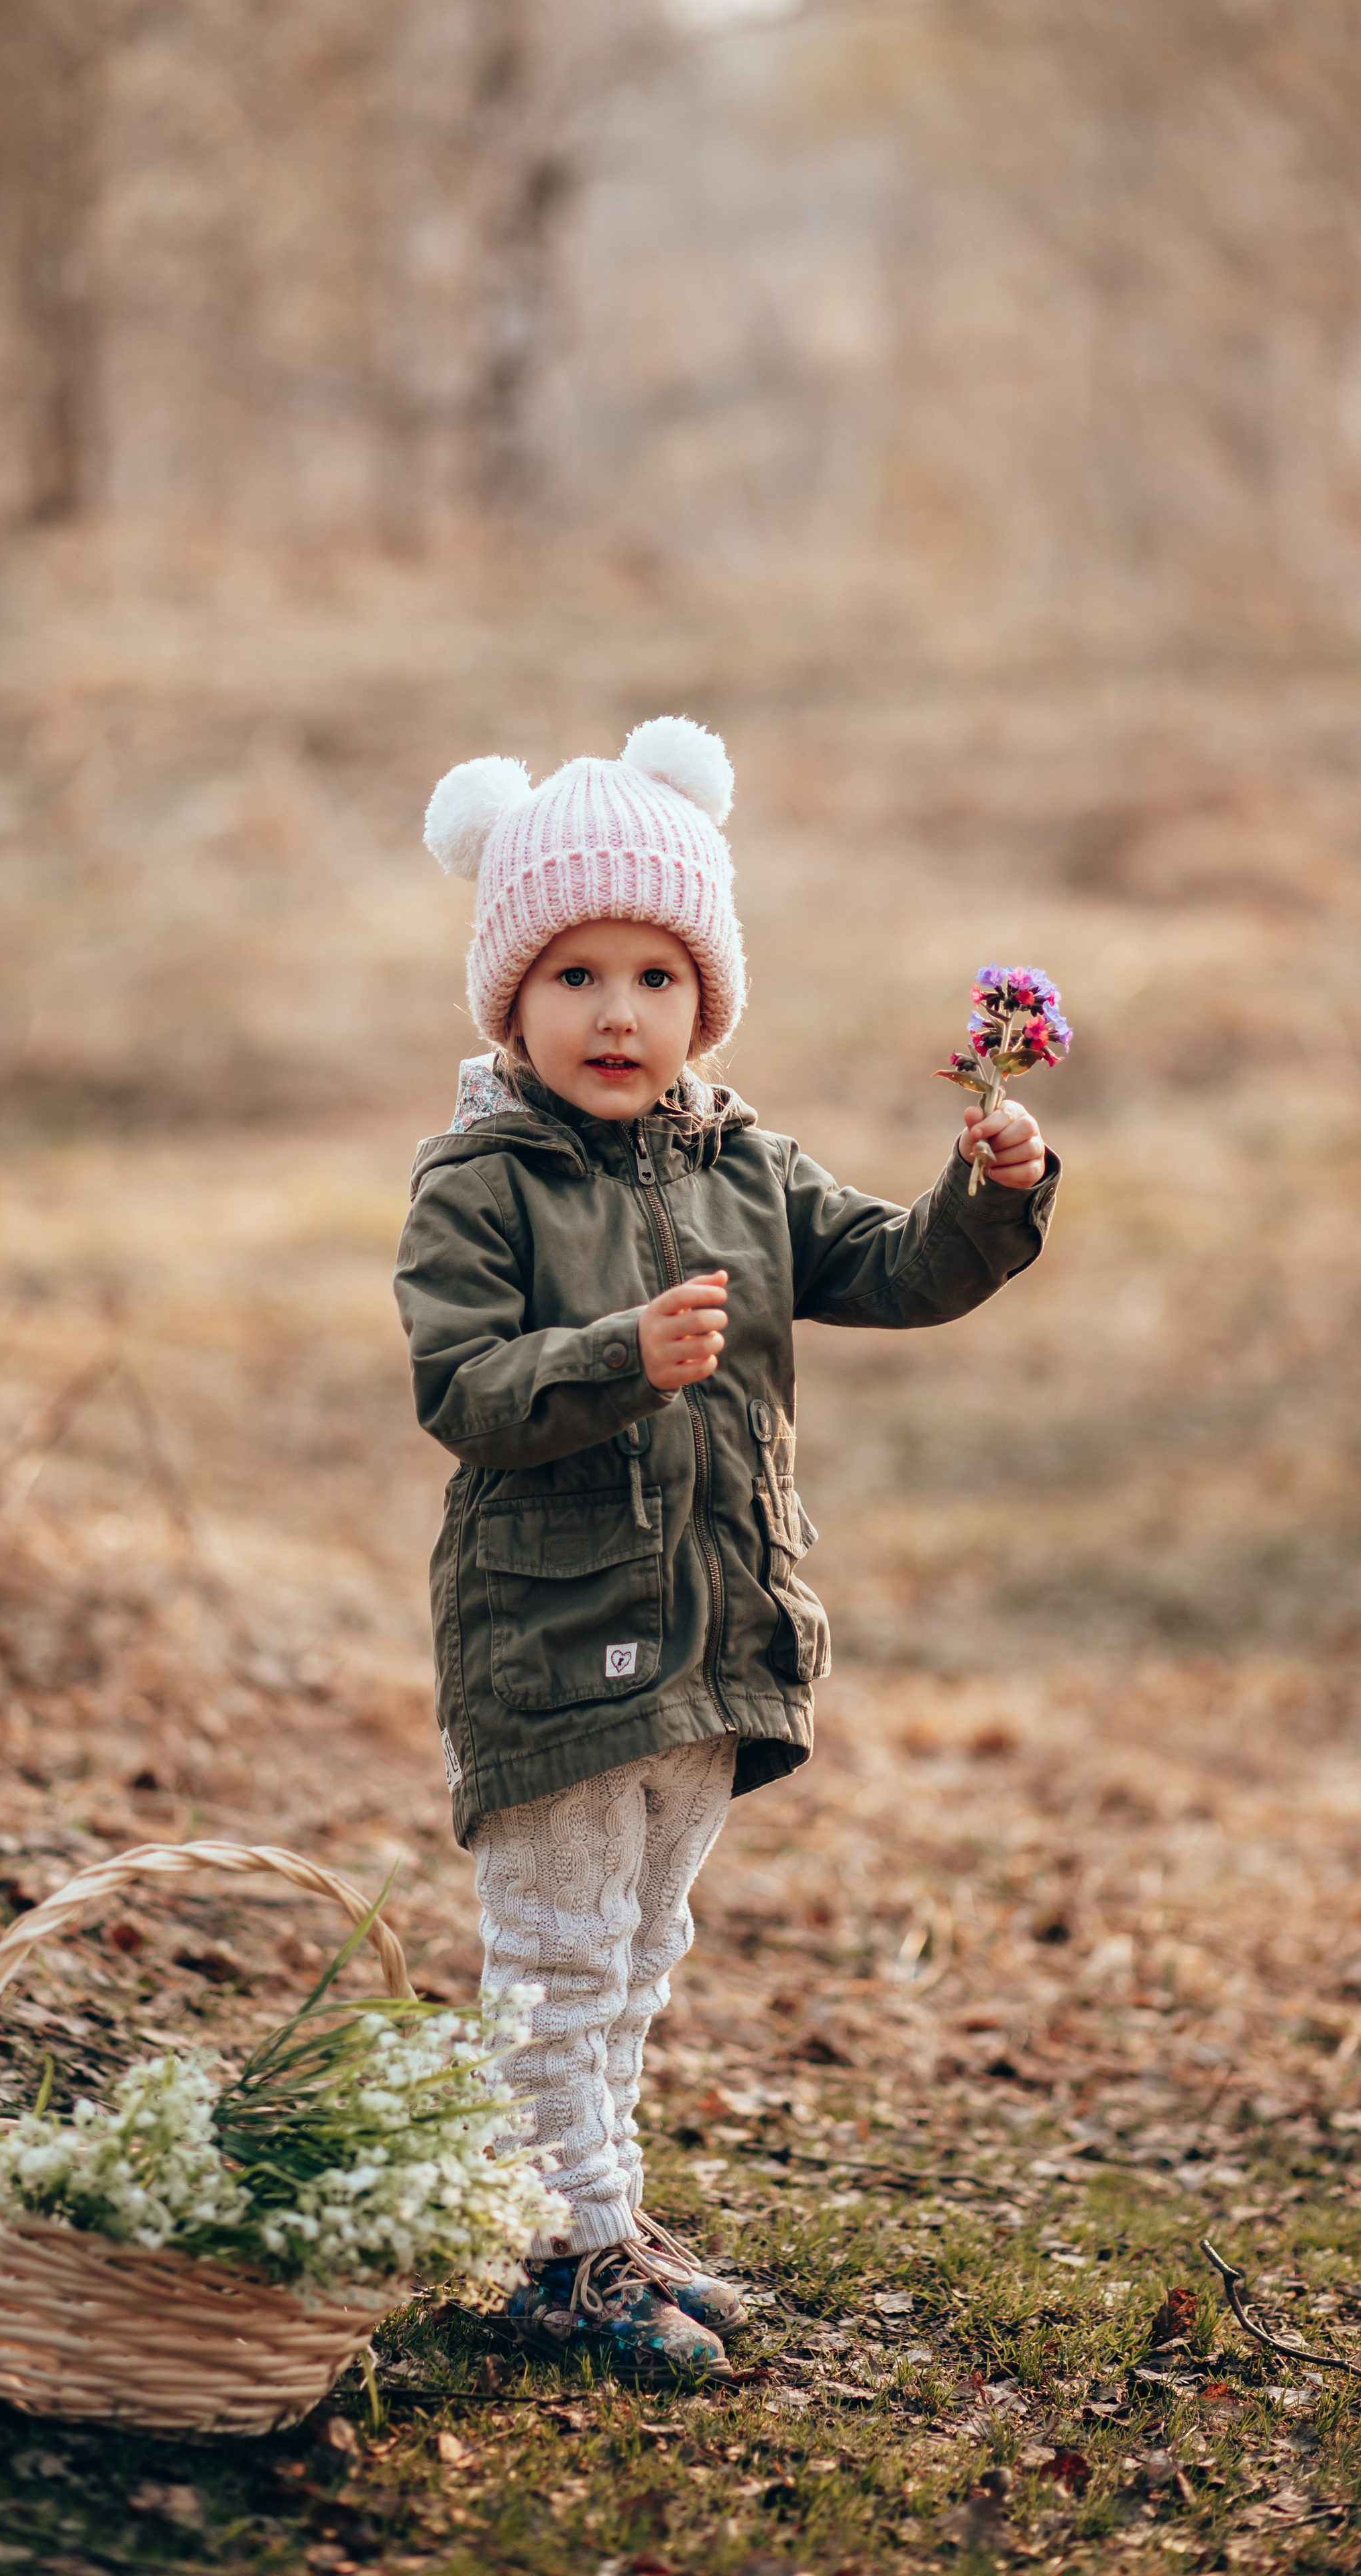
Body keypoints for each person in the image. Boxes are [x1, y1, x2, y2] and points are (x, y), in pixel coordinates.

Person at [392, 717, 1058, 2379]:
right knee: (553, 1942)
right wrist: (620, 1351)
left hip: (712, 1624)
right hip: (553, 1628)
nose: (618, 1013)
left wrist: (989, 1188)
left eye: (655, 976)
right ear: (510, 996)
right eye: (574, 976)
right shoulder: (479, 1184)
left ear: (704, 999)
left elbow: (897, 1270)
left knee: (640, 1939)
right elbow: (460, 1388)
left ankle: (597, 2214)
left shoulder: (746, 1167)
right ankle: (551, 2242)